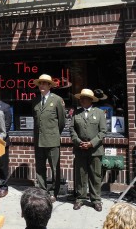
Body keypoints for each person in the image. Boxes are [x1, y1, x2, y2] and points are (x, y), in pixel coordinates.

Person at [70, 88, 107, 211]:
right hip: (80, 149)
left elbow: (103, 132)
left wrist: (91, 143)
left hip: (95, 150)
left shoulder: (99, 113)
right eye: (81, 98)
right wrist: (78, 142)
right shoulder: (76, 113)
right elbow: (72, 130)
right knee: (80, 175)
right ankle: (80, 198)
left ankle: (96, 200)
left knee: (95, 175)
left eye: (84, 98)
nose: (81, 100)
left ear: (91, 100)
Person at [32, 74, 66, 203]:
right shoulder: (35, 101)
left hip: (52, 140)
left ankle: (53, 192)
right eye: (40, 83)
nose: (42, 85)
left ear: (50, 85)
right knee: (40, 167)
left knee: (55, 168)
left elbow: (62, 121)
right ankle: (42, 191)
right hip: (39, 140)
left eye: (45, 83)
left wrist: (54, 134)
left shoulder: (57, 100)